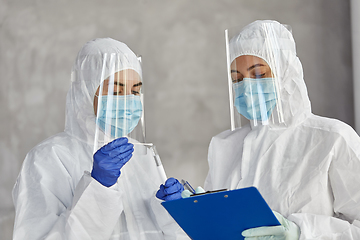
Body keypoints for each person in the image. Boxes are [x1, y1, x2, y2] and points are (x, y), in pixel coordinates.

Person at [12, 38, 187, 239]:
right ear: (86, 91)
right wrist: (98, 188)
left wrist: (171, 212)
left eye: (135, 91)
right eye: (115, 91)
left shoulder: (142, 154)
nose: (129, 100)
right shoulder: (48, 158)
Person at [203, 20, 360, 239]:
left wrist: (302, 233)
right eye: (237, 79)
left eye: (258, 74)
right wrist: (196, 208)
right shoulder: (224, 146)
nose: (246, 88)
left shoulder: (333, 138)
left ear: (286, 70)